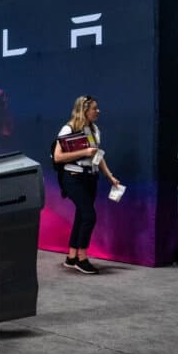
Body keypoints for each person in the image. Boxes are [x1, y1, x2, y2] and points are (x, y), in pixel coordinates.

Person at [53, 95, 120, 275]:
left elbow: (98, 156)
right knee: (89, 215)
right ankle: (82, 258)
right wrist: (84, 151)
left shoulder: (95, 130)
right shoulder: (68, 129)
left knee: (82, 216)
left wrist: (110, 176)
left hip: (90, 177)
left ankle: (72, 256)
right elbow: (58, 157)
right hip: (73, 176)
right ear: (84, 110)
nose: (98, 111)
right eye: (94, 108)